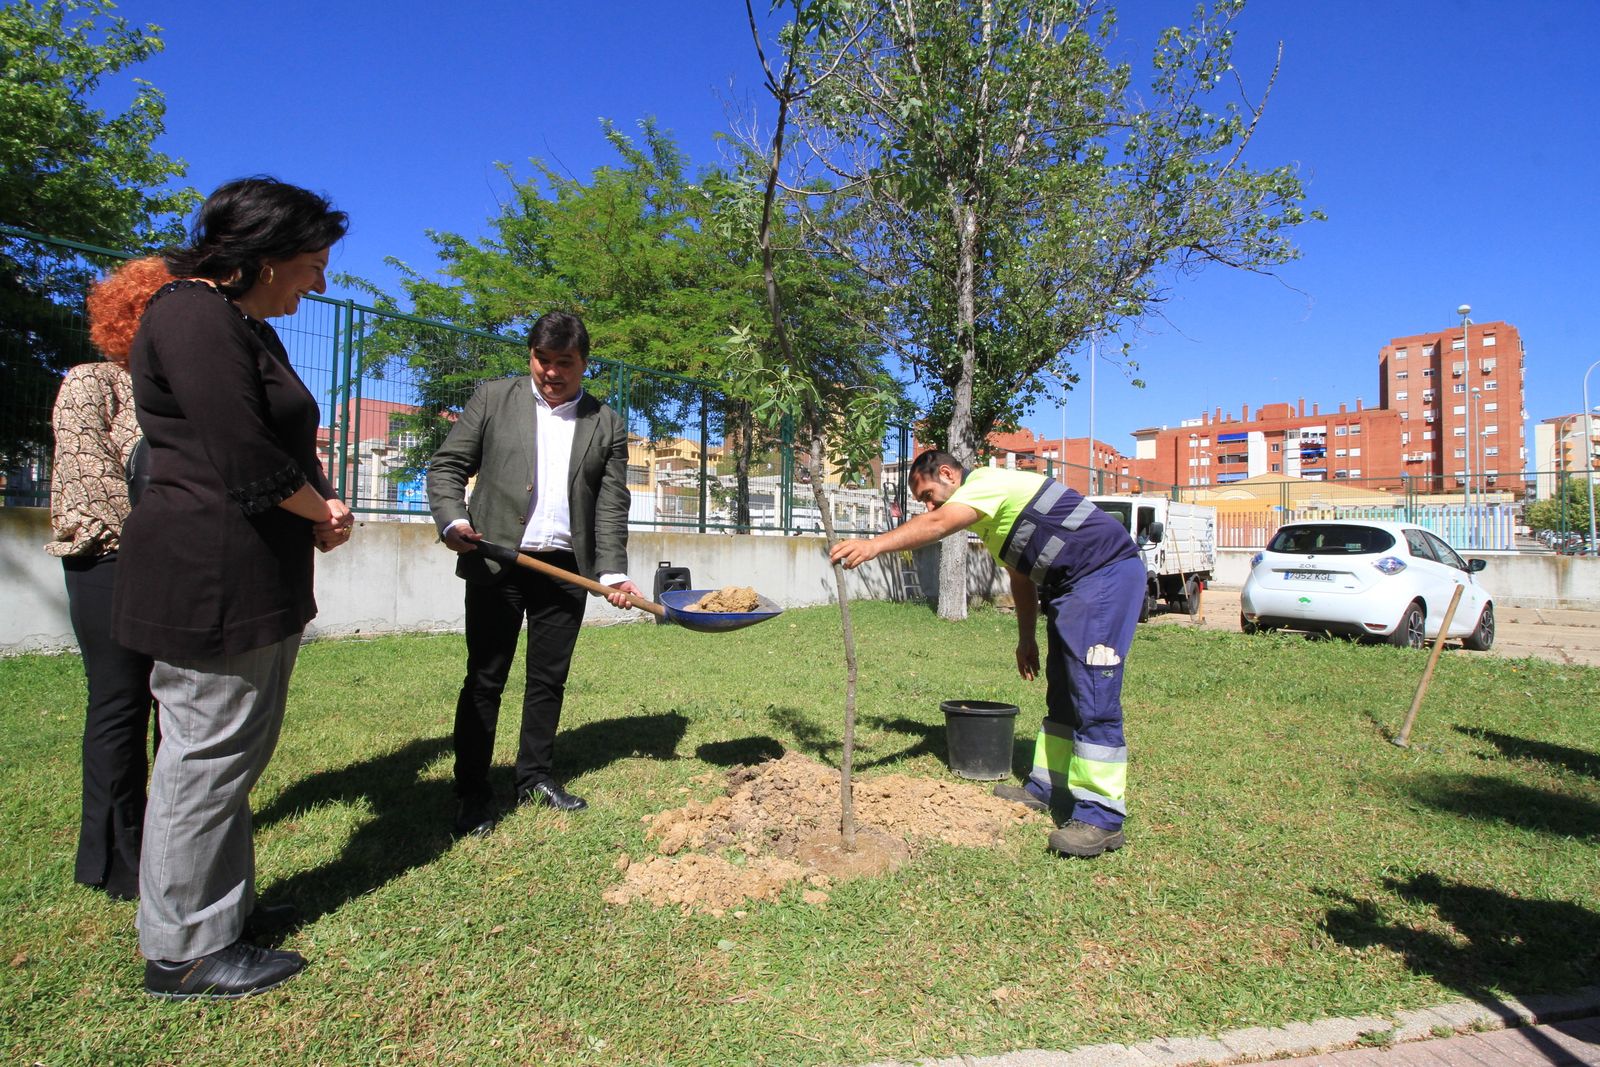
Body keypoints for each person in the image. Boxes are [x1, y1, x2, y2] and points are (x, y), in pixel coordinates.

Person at [111, 178, 354, 1000]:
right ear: (263, 257)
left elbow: (280, 439)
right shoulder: (189, 314)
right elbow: (243, 454)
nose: (319, 282)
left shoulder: (243, 325)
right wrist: (319, 505)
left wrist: (318, 508)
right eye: (312, 264)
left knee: (232, 753)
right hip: (208, 575)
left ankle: (220, 914)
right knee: (205, 754)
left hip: (255, 571)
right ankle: (181, 950)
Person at [830, 449, 1144, 858]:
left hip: (1104, 574)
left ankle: (1102, 816)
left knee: (1093, 689)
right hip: (1071, 587)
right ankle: (1047, 786)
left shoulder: (987, 485)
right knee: (1064, 689)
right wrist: (1026, 638)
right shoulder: (996, 520)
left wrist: (873, 546)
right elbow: (1022, 577)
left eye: (928, 494)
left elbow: (939, 523)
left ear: (947, 473)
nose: (928, 506)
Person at [427, 311, 640, 838]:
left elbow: (611, 504)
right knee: (485, 677)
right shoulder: (494, 400)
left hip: (565, 568)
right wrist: (453, 519)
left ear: (584, 364)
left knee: (549, 679)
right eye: (542, 360)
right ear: (531, 358)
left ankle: (534, 777)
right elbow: (447, 466)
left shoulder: (605, 422)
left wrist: (611, 572)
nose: (551, 372)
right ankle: (472, 791)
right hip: (498, 558)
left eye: (564, 363)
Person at [45, 256, 172, 901]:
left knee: (172, 706)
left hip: (172, 568)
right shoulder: (93, 381)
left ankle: (167, 837)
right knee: (120, 703)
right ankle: (112, 853)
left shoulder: (177, 391)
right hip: (108, 561)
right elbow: (86, 481)